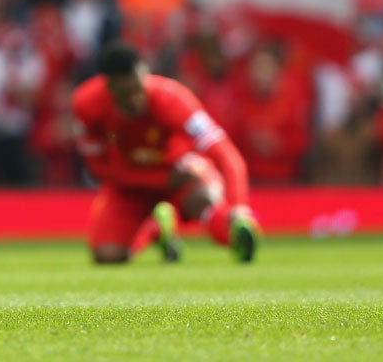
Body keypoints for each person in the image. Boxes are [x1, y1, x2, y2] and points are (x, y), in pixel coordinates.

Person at [71, 43, 258, 265]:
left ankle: (233, 233)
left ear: (145, 76)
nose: (135, 99)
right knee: (107, 256)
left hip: (179, 172)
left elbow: (225, 153)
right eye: (125, 94)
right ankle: (157, 229)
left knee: (204, 199)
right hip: (131, 185)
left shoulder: (173, 99)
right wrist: (160, 180)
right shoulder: (86, 105)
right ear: (109, 88)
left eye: (138, 89)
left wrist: (238, 206)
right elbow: (97, 169)